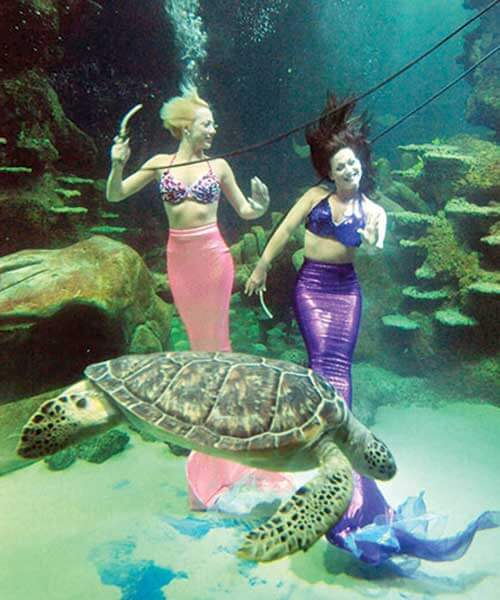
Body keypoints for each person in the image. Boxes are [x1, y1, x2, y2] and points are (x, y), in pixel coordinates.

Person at [245, 93, 499, 567]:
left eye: (355, 167)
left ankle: (350, 483)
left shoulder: (373, 210)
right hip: (311, 290)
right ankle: (337, 472)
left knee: (340, 377)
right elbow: (282, 232)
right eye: (341, 168)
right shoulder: (315, 197)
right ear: (329, 170)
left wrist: (368, 239)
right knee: (323, 372)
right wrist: (260, 267)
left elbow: (378, 246)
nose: (349, 173)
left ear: (362, 166)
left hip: (346, 292)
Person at [106, 87, 291, 510]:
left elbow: (245, 211)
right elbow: (114, 195)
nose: (214, 129)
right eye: (208, 123)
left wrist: (261, 206)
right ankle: (211, 455)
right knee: (197, 353)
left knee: (219, 352)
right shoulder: (157, 165)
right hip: (180, 261)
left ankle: (230, 455)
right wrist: (116, 166)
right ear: (188, 126)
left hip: (213, 258)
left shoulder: (220, 166)